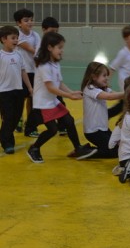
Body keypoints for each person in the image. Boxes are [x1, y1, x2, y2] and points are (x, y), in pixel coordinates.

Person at [26, 32, 97, 163]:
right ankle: (34, 148)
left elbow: (59, 83)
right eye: (59, 47)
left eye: (62, 47)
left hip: (52, 101)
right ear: (49, 48)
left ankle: (78, 148)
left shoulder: (55, 64)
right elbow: (50, 87)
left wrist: (72, 92)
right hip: (43, 103)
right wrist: (69, 96)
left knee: (69, 120)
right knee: (52, 130)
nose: (62, 50)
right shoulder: (44, 66)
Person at [80, 61, 124, 160]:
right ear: (94, 77)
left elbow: (114, 93)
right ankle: (85, 152)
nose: (107, 78)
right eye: (104, 75)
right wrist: (126, 93)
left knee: (118, 147)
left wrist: (126, 95)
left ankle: (89, 149)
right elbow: (109, 96)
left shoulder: (102, 88)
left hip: (102, 129)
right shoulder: (89, 89)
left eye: (107, 76)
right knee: (113, 152)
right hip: (93, 131)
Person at [0, 26, 33, 154]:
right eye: (13, 38)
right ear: (3, 39)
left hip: (18, 90)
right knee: (8, 117)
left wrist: (29, 87)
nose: (16, 40)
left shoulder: (18, 54)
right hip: (4, 92)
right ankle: (7, 143)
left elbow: (23, 71)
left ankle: (3, 134)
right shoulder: (1, 55)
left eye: (17, 38)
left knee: (16, 116)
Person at [14, 8, 41, 137]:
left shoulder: (36, 35)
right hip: (21, 72)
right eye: (26, 20)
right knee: (21, 99)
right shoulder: (17, 36)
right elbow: (32, 49)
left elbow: (39, 52)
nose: (30, 22)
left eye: (31, 20)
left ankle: (30, 124)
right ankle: (18, 118)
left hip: (34, 71)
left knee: (32, 99)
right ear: (19, 23)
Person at [42, 16, 67, 136]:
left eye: (57, 31)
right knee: (37, 112)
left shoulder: (55, 52)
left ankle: (63, 127)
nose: (55, 34)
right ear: (44, 30)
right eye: (52, 31)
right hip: (44, 87)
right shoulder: (41, 49)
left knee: (61, 106)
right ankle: (30, 127)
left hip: (53, 87)